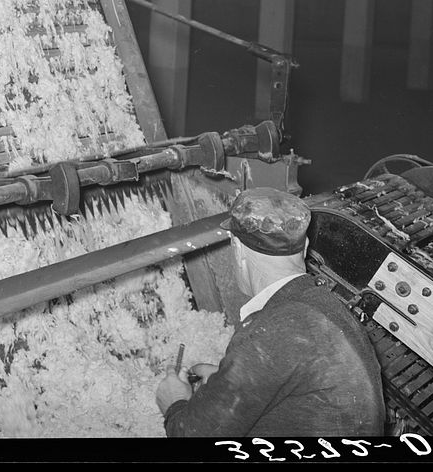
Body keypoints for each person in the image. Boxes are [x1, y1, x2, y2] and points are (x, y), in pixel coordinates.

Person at [155, 187, 385, 437]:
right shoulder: (328, 305)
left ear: (237, 249)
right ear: (305, 246)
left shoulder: (268, 334)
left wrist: (175, 402)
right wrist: (227, 381)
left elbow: (190, 435)